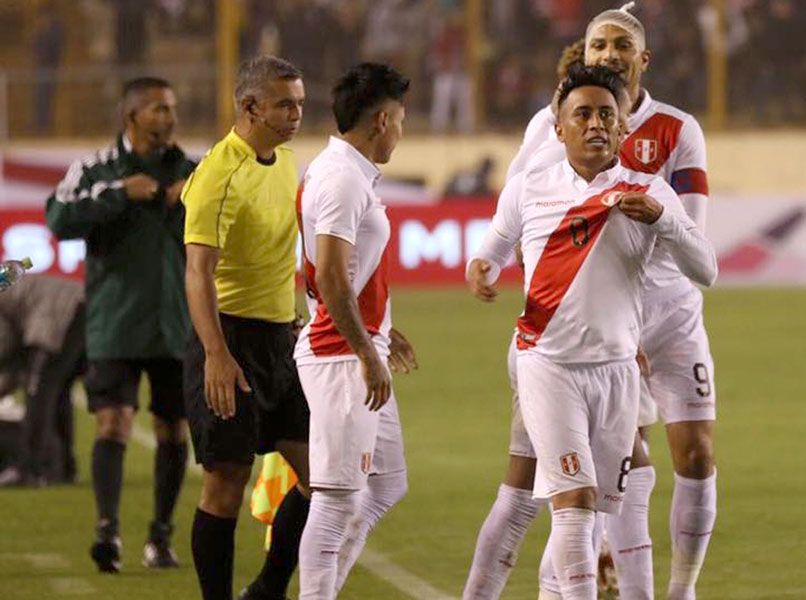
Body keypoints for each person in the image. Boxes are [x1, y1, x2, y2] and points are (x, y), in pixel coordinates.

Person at [467, 65, 717, 600]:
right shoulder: (530, 188)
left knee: (598, 509)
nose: (596, 124)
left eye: (607, 114)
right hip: (548, 366)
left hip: (618, 373)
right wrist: (482, 268)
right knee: (573, 506)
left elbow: (708, 271)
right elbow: (491, 244)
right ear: (558, 128)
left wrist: (663, 222)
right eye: (582, 114)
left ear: (624, 126)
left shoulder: (647, 192)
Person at [45, 76, 197, 572]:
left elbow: (230, 224)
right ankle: (107, 532)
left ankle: (161, 536)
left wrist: (189, 202)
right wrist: (119, 193)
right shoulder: (95, 169)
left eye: (171, 108)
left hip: (177, 322)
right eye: (158, 108)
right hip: (114, 321)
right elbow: (57, 217)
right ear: (130, 115)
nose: (169, 117)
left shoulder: (194, 173)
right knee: (113, 422)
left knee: (174, 429)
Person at [181, 55, 309, 600]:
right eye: (285, 104)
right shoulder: (217, 174)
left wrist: (294, 313)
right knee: (225, 484)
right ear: (250, 106)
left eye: (300, 103)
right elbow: (197, 271)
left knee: (325, 477)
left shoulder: (285, 161)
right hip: (228, 339)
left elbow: (281, 251)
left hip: (279, 339)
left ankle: (268, 587)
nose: (297, 114)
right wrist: (215, 353)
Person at [295, 62, 419, 600]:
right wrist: (367, 353)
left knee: (387, 482)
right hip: (341, 357)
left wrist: (386, 330)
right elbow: (327, 274)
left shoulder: (347, 170)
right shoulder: (342, 179)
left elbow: (349, 276)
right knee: (337, 500)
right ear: (383, 119)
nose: (401, 130)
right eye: (401, 120)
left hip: (358, 344)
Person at [0, 274, 84, 488]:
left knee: (38, 389)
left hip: (56, 315)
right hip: (81, 305)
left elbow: (6, 346)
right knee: (59, 391)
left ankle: (30, 470)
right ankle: (64, 468)